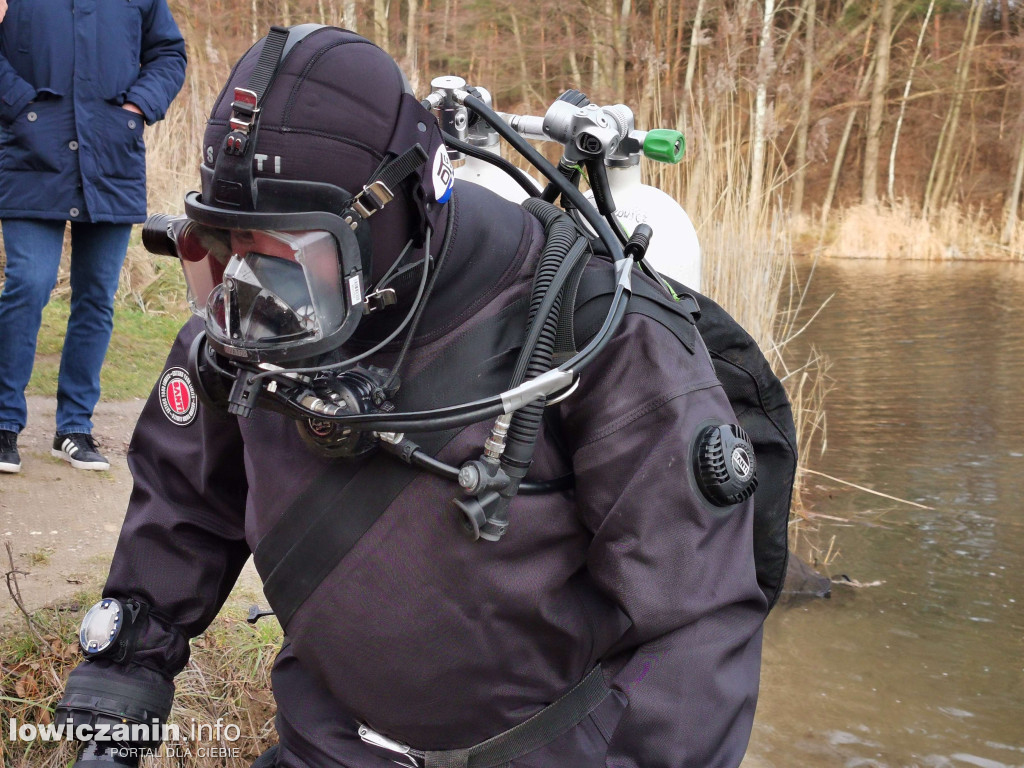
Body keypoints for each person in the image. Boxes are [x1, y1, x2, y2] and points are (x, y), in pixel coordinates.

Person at [55, 26, 768, 768]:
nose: (246, 295)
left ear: (391, 214)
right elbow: (183, 504)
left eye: (281, 261)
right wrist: (119, 697)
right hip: (323, 745)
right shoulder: (249, 327)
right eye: (219, 249)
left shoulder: (593, 334)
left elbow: (696, 629)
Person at [0, 0, 186, 473]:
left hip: (111, 155)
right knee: (29, 283)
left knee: (97, 295)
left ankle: (75, 427)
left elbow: (169, 54)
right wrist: (19, 105)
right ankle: (4, 423)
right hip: (30, 154)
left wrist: (138, 107)